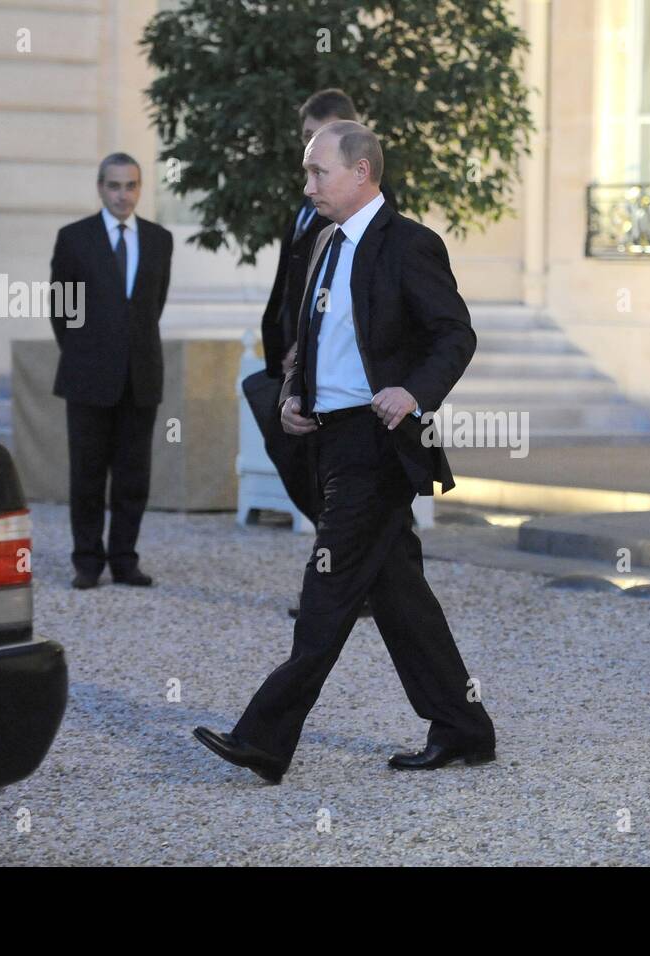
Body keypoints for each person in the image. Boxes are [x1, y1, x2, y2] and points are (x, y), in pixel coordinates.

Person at [195, 121, 495, 781]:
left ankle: (265, 740)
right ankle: (464, 727)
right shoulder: (326, 245)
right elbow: (314, 341)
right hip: (331, 438)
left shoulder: (410, 245)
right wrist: (294, 397)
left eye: (318, 173)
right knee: (400, 597)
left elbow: (455, 334)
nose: (308, 186)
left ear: (361, 173)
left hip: (377, 444)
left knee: (327, 591)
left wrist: (414, 392)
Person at [245, 88, 397, 618]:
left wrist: (411, 389)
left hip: (349, 392)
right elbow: (295, 283)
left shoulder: (379, 219)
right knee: (308, 464)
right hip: (297, 363)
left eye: (316, 138)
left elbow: (420, 322)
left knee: (352, 500)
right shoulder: (311, 208)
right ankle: (349, 582)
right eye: (304, 138)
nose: (307, 154)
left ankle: (342, 590)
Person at [49, 153, 172, 589]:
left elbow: (151, 306)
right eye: (115, 186)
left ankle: (125, 559)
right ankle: (87, 561)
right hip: (87, 377)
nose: (124, 194)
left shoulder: (160, 240)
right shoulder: (74, 238)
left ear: (140, 189)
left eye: (131, 185)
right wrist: (90, 353)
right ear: (101, 188)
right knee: (86, 475)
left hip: (140, 377)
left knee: (133, 476)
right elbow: (63, 312)